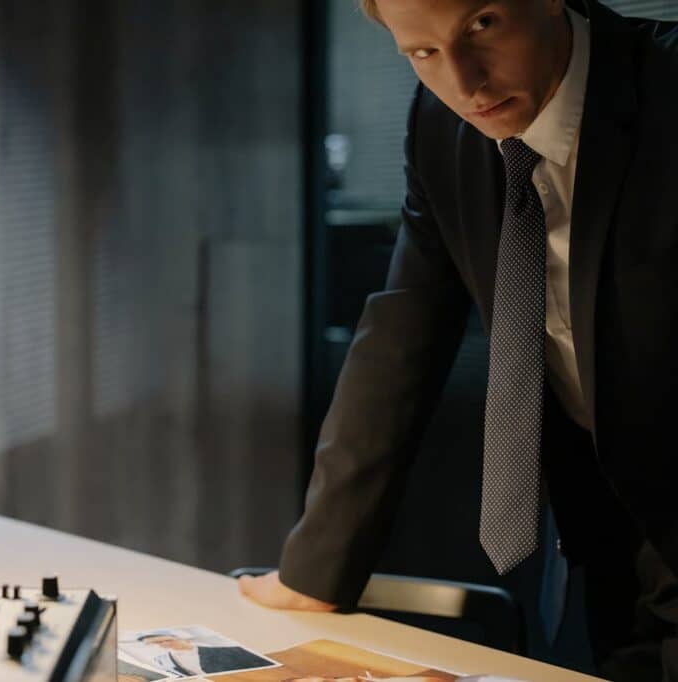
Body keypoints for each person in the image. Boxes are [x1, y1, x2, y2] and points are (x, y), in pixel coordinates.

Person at [238, 1, 678, 680]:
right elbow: (402, 332)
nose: (465, 83)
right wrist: (315, 570)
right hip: (603, 532)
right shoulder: (441, 125)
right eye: (423, 53)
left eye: (484, 25)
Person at [135, 632, 274, 676]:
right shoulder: (163, 662)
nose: (163, 645)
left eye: (164, 640)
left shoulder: (229, 651)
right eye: (155, 644)